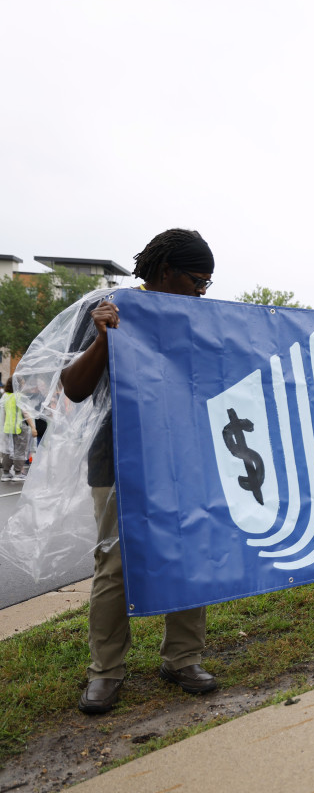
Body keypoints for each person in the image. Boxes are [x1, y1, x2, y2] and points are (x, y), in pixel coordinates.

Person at [56, 228, 218, 714]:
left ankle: (182, 658)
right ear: (166, 272)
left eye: (207, 284)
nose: (202, 292)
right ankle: (105, 672)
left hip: (185, 456)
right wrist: (105, 338)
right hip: (117, 457)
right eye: (196, 281)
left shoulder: (199, 316)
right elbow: (74, 387)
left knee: (189, 553)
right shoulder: (108, 308)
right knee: (115, 564)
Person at [1, 377, 37, 481]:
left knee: (7, 450)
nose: (24, 385)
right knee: (20, 451)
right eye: (23, 383)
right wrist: (33, 427)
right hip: (20, 428)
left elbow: (3, 414)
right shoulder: (21, 397)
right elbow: (26, 413)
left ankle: (6, 473)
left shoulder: (5, 396)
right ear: (18, 385)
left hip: (7, 428)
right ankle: (18, 473)